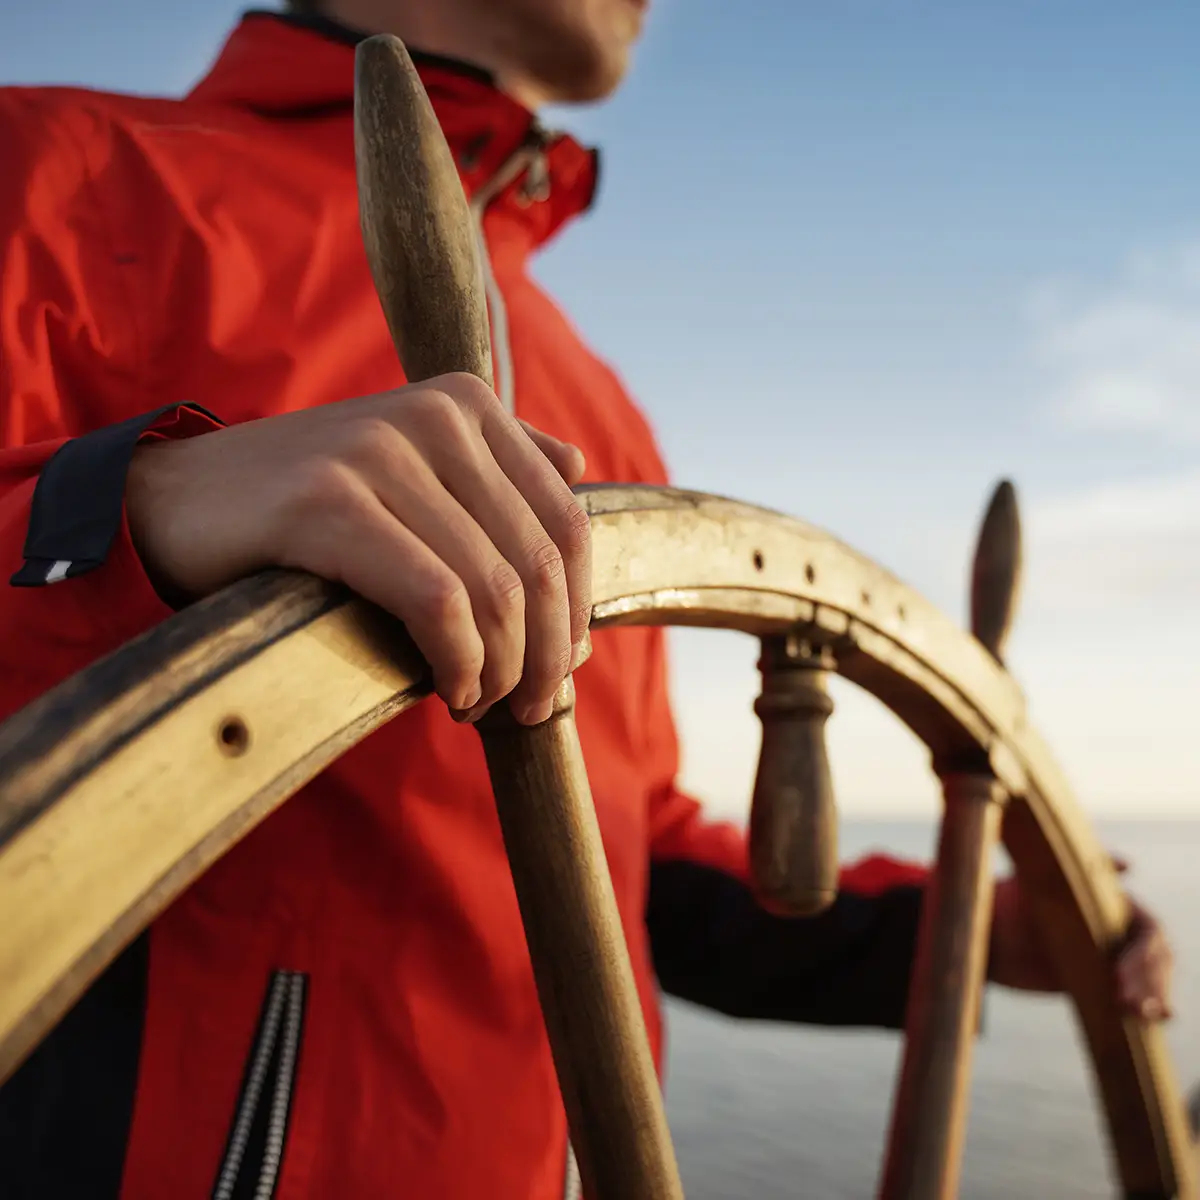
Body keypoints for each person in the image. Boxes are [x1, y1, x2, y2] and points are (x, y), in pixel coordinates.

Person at [0, 3, 1175, 1198]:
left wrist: (967, 934)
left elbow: (630, 858)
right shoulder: (44, 173)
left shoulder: (596, 406)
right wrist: (138, 507)